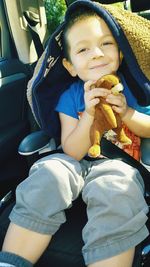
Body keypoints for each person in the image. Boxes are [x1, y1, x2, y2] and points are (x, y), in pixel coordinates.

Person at [0, 1, 150, 267]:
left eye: (106, 44)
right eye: (83, 49)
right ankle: (12, 262)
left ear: (121, 53)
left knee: (116, 189)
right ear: (70, 66)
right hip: (75, 160)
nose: (96, 54)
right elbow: (71, 150)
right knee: (48, 172)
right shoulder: (69, 96)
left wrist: (126, 114)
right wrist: (89, 115)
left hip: (118, 163)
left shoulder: (135, 87)